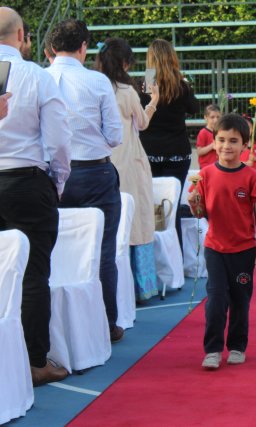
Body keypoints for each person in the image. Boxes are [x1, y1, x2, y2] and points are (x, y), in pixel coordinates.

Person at [0, 6, 71, 384]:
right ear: (23, 36)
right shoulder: (38, 77)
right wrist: (54, 183)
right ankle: (33, 361)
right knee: (32, 274)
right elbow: (59, 140)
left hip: (22, 177)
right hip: (26, 180)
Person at [47, 19, 125, 342]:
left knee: (53, 252)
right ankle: (107, 323)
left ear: (51, 49)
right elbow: (114, 135)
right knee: (104, 251)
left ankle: (57, 326)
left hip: (51, 175)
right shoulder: (97, 82)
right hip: (94, 172)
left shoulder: (40, 78)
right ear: (83, 48)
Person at [187, 113, 256, 370]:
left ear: (245, 145)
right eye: (221, 140)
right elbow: (199, 212)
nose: (226, 146)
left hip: (244, 250)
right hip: (215, 249)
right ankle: (212, 349)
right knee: (216, 299)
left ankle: (237, 345)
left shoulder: (251, 176)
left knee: (240, 300)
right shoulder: (205, 175)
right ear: (214, 141)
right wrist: (194, 204)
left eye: (233, 141)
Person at [95, 37, 160, 302]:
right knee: (138, 221)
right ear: (124, 63)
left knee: (111, 226)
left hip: (103, 163)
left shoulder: (95, 87)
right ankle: (141, 288)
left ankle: (113, 291)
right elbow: (142, 123)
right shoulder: (127, 91)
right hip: (131, 162)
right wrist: (154, 99)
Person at [139, 39, 198, 252]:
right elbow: (194, 108)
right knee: (172, 208)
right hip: (177, 153)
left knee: (155, 208)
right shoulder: (180, 84)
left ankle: (156, 260)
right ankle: (177, 257)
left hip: (150, 152)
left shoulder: (147, 82)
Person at [196, 104, 221, 170]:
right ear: (205, 117)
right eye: (212, 117)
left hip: (219, 166)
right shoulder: (203, 132)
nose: (215, 120)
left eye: (218, 117)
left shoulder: (221, 132)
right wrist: (212, 145)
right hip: (206, 167)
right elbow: (199, 152)